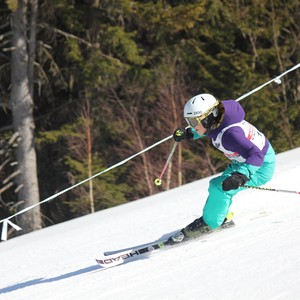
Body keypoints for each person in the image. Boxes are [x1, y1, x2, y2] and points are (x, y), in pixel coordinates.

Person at [168, 93, 276, 244]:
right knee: (220, 187)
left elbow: (256, 155)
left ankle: (211, 224)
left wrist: (241, 176)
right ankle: (219, 216)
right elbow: (211, 131)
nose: (191, 125)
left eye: (193, 122)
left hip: (260, 166)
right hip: (244, 162)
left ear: (208, 117)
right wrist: (189, 134)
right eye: (189, 121)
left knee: (219, 188)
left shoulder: (231, 135)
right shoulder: (219, 120)